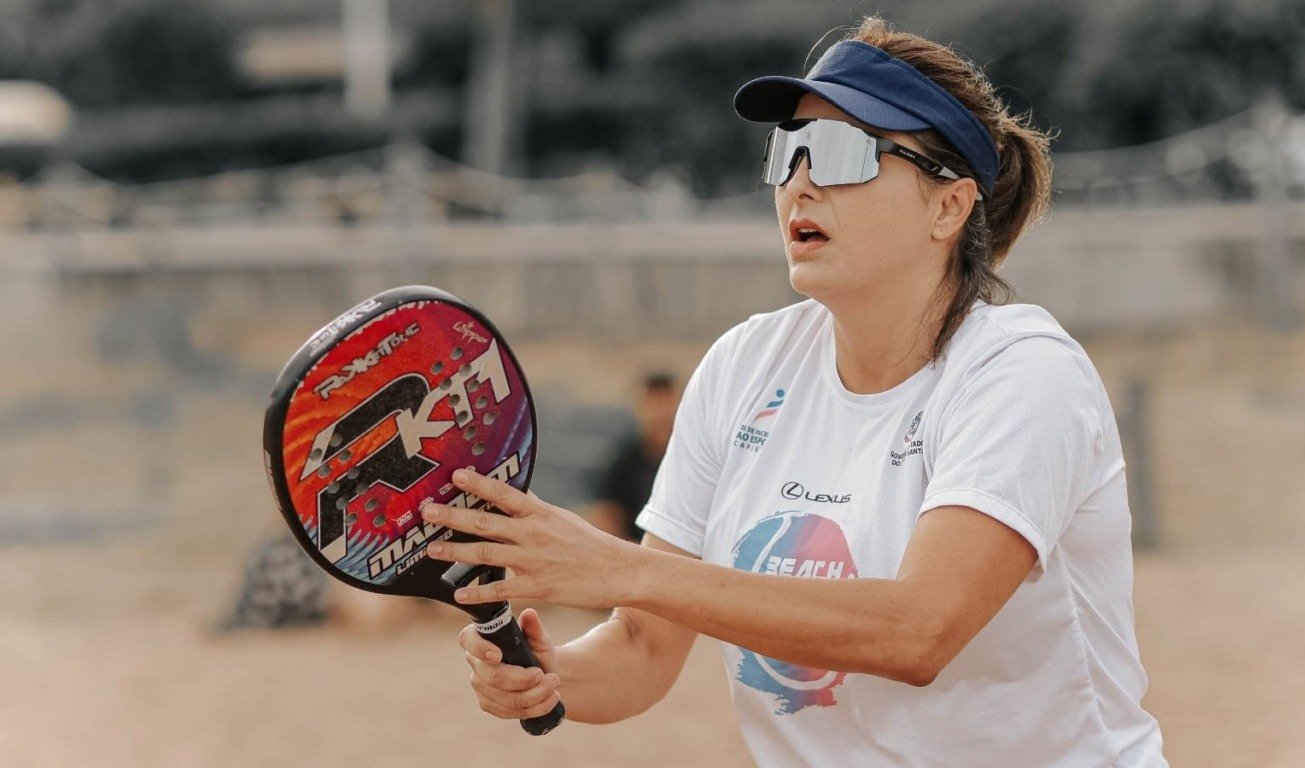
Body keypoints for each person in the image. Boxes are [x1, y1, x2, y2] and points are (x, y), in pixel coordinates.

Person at [419, 15, 1167, 767]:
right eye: (789, 151)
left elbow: (918, 631)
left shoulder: (1022, 374)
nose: (801, 182)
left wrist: (620, 567)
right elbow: (644, 652)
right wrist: (552, 676)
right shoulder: (745, 364)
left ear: (949, 205)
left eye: (842, 152)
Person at [584, 371, 681, 543]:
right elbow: (607, 520)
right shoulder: (623, 464)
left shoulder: (692, 460)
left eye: (665, 403)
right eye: (653, 403)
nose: (659, 414)